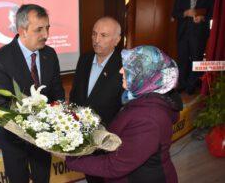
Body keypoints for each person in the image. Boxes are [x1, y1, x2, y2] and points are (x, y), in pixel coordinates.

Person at [65, 46, 183, 183]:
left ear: (146, 74)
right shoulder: (141, 97)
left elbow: (114, 166)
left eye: (129, 67)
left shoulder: (148, 119)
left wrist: (71, 158)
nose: (121, 70)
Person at [0, 4, 65, 183]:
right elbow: (3, 106)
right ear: (22, 31)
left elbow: (57, 91)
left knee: (42, 179)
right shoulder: (0, 60)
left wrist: (56, 118)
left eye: (47, 28)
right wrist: (34, 126)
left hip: (45, 136)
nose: (46, 34)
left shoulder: (50, 54)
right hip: (13, 139)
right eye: (39, 29)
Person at [69, 16, 124, 182]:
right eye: (94, 34)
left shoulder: (124, 65)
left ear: (117, 40)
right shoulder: (85, 59)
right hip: (82, 136)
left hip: (108, 140)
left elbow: (125, 106)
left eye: (103, 35)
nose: (96, 40)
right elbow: (75, 94)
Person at [172, 0, 215, 94]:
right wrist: (185, 13)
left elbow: (214, 12)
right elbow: (174, 13)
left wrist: (203, 17)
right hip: (183, 33)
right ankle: (182, 84)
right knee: (183, 59)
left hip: (199, 33)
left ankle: (191, 85)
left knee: (197, 60)